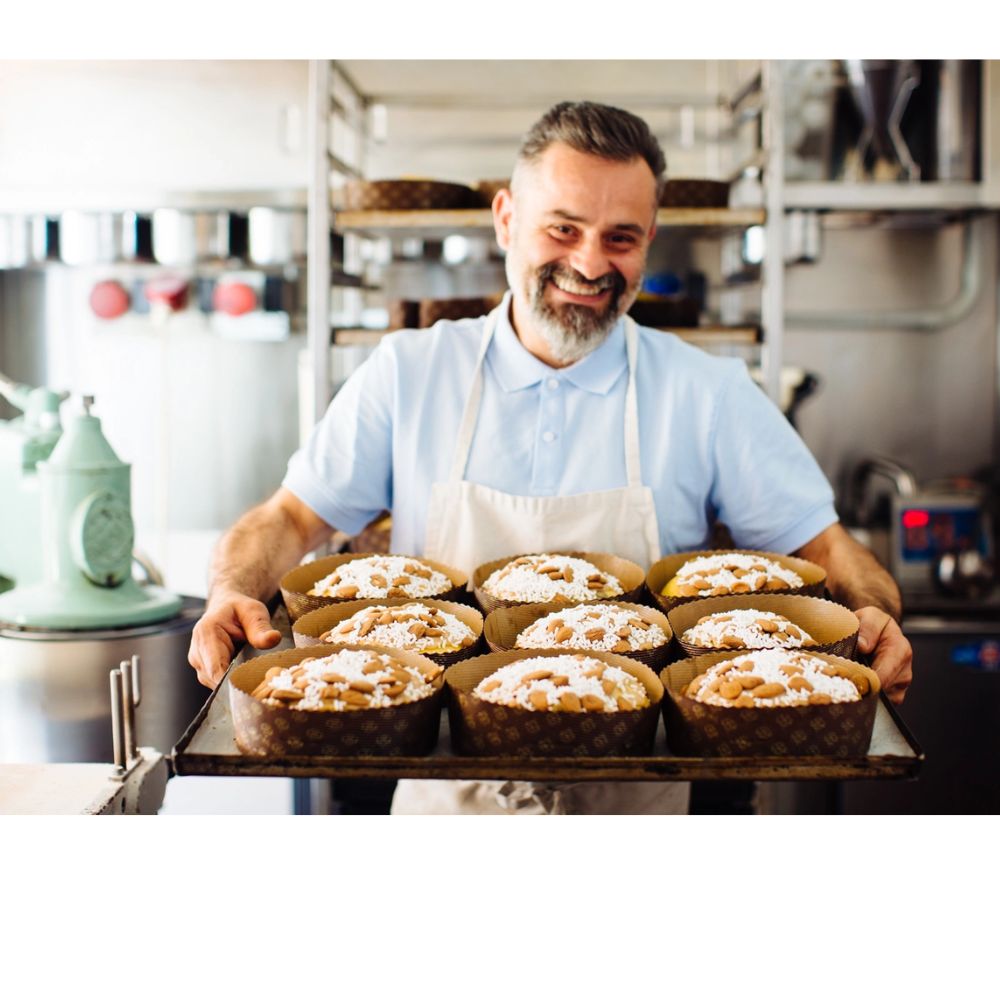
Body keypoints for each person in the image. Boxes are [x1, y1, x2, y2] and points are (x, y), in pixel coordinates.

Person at [188, 101, 913, 814]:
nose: (590, 263)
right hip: (448, 798)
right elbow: (287, 520)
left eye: (621, 237)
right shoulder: (410, 373)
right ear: (506, 218)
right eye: (562, 228)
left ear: (652, 238)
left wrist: (872, 612)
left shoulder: (709, 391)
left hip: (638, 803)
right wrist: (231, 590)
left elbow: (825, 545)